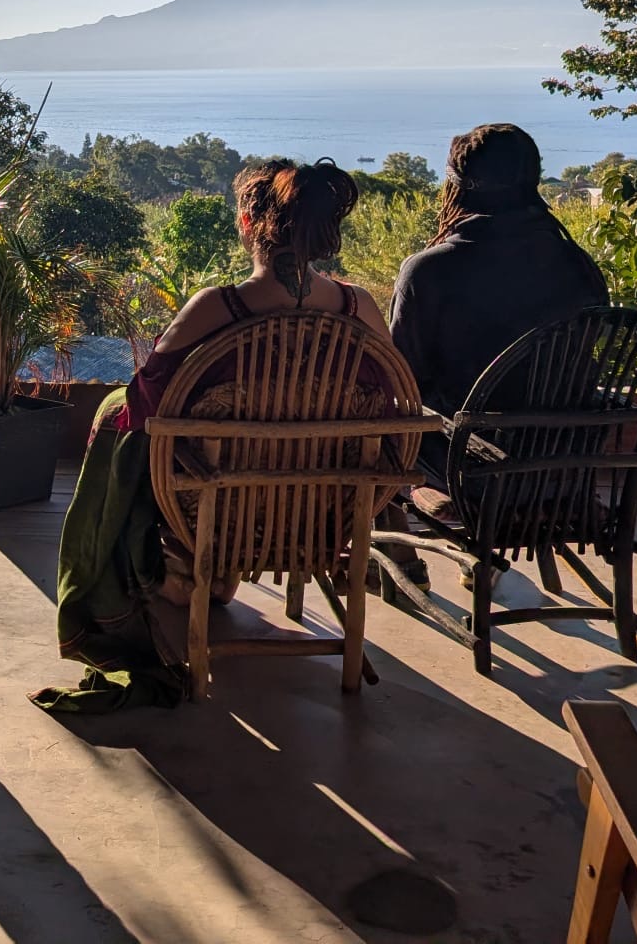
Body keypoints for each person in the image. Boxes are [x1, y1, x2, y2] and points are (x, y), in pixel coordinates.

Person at [34, 159, 399, 714]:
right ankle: (208, 574)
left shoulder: (216, 308)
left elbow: (144, 401)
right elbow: (399, 402)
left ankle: (141, 582)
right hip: (329, 502)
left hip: (218, 500)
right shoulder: (359, 308)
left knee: (116, 417)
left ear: (249, 224)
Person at [391, 122, 610, 432]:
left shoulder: (428, 272)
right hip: (565, 455)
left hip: (465, 456)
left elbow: (402, 378)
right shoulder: (577, 265)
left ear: (458, 188)